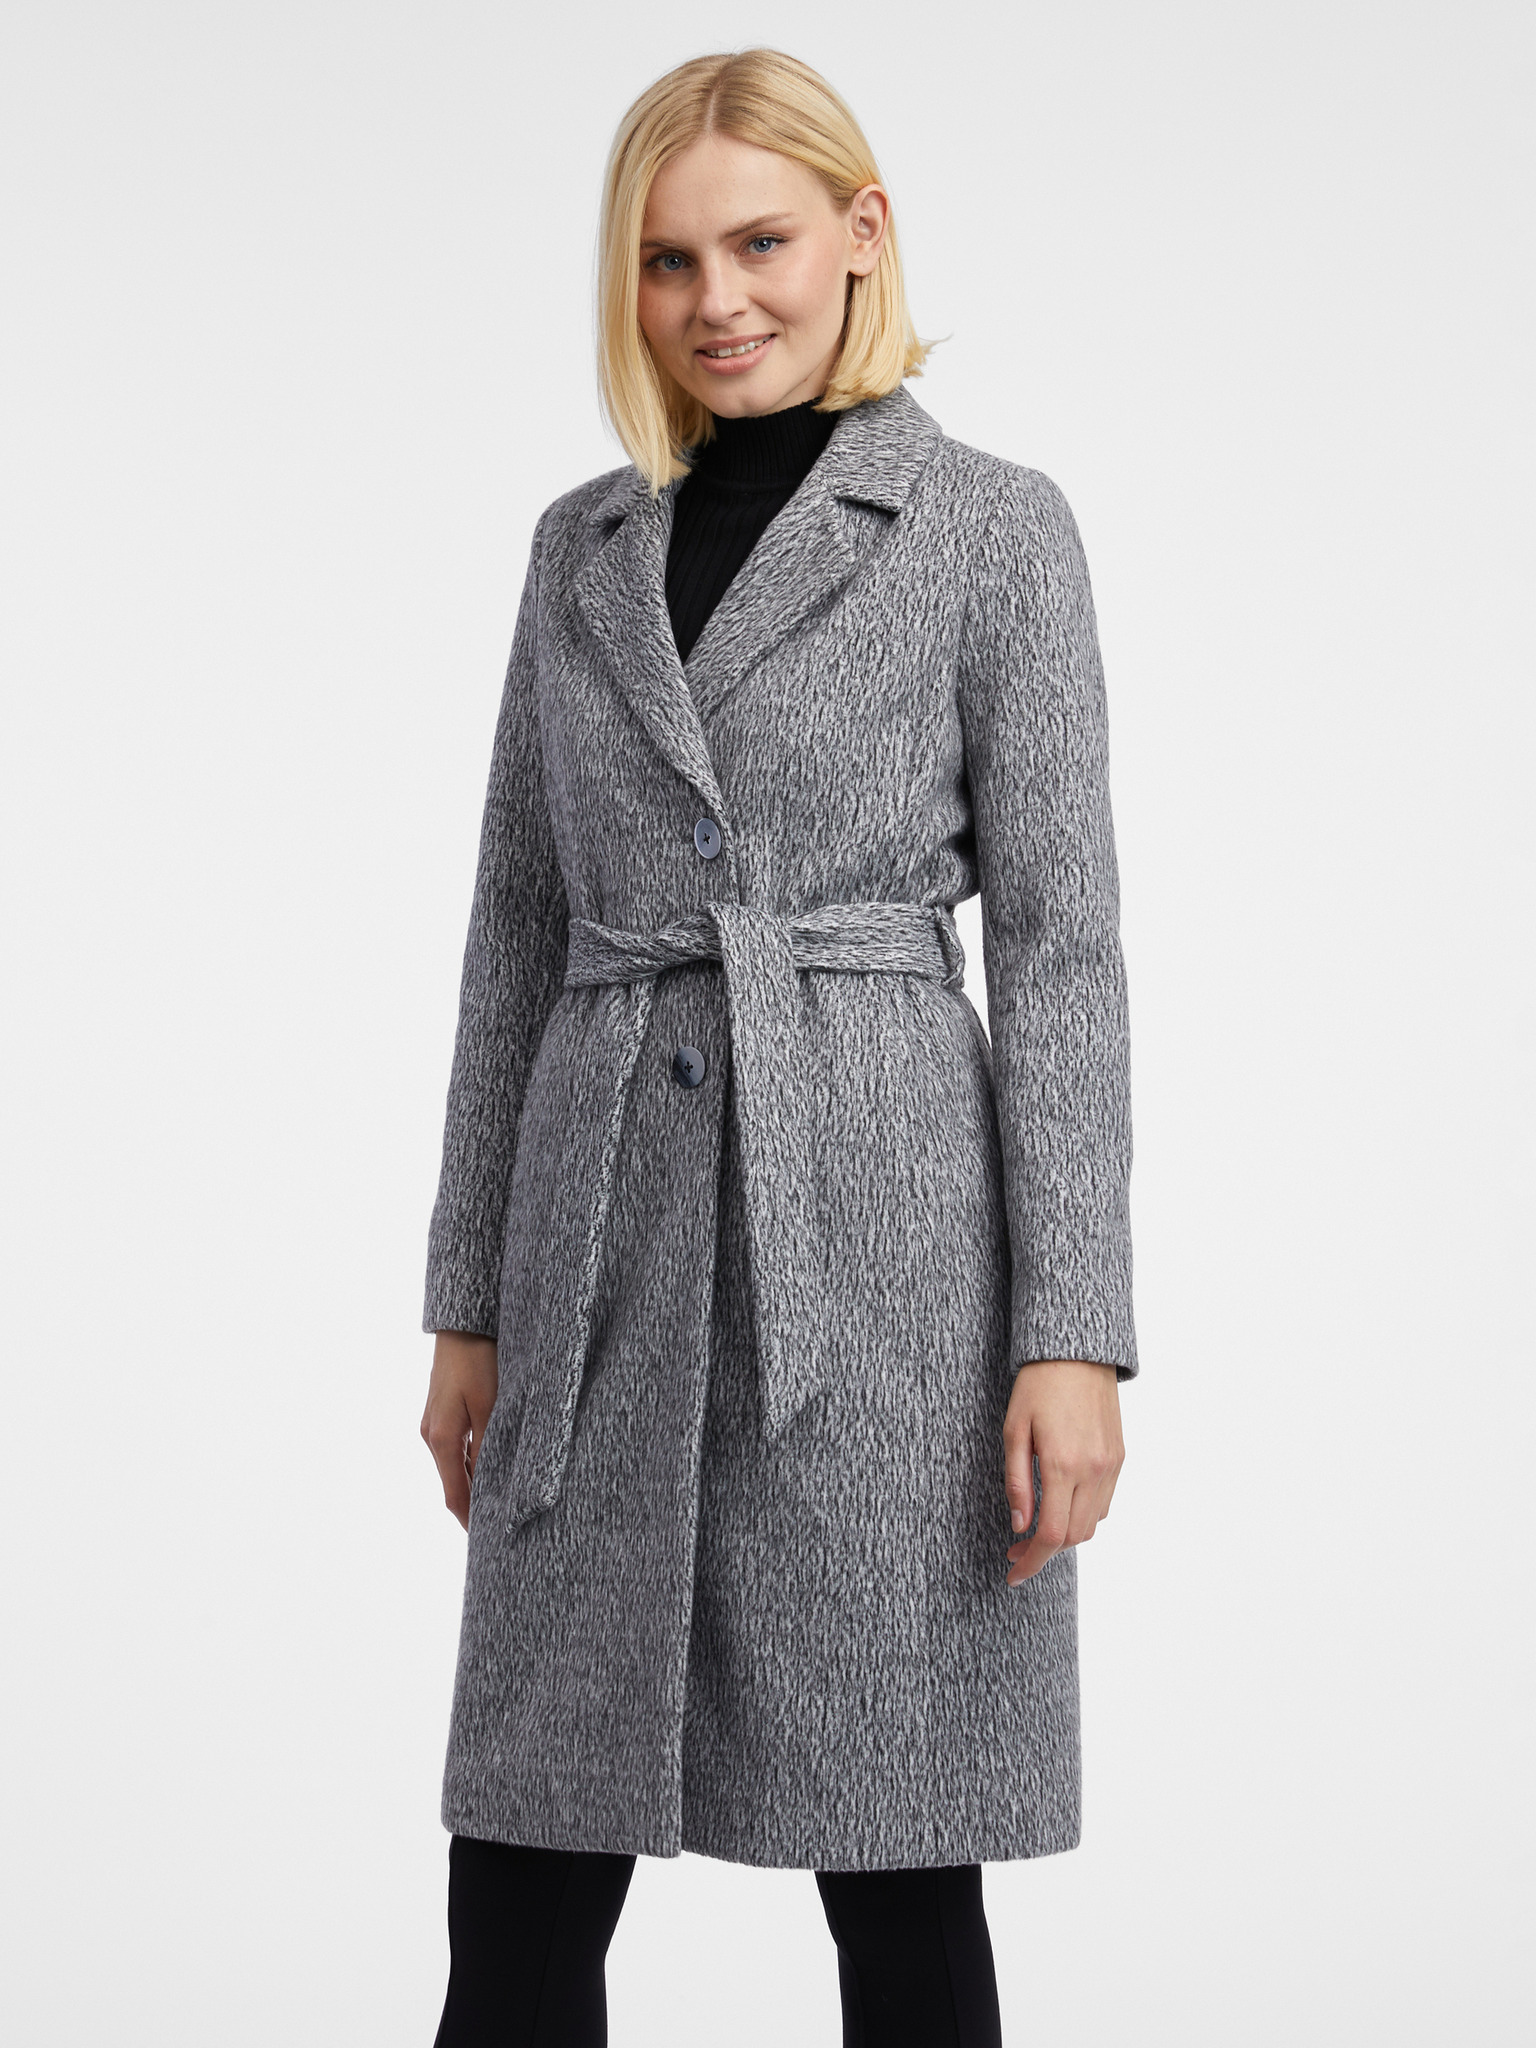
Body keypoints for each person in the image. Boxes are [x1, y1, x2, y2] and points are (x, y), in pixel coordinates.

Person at [419, 45, 1136, 2048]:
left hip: (881, 1255)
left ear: (861, 233)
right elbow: (515, 933)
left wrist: (1073, 1336)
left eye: (759, 243)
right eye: (667, 261)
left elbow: (1065, 952)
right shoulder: (579, 548)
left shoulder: (991, 530)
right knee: (519, 1871)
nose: (715, 298)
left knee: (900, 1866)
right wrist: (468, 1299)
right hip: (598, 1252)